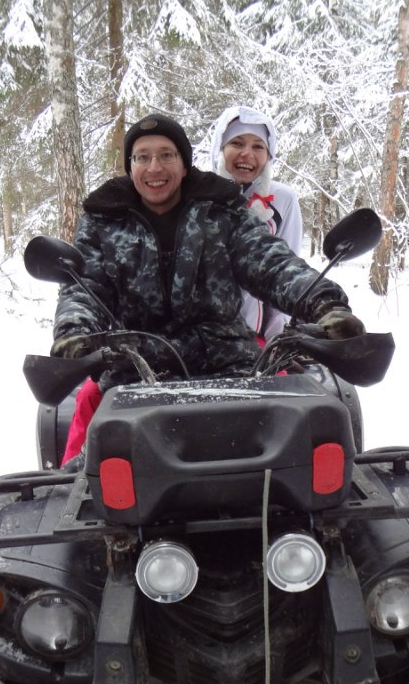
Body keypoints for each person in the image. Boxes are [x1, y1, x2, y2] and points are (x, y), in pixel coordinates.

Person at [55, 113, 363, 463]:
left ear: (184, 164)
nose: (154, 167)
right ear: (130, 167)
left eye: (166, 155)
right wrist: (74, 333)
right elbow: (83, 286)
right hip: (136, 371)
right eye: (142, 157)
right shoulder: (103, 220)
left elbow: (271, 262)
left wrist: (324, 304)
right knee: (87, 475)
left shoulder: (222, 210)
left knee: (306, 457)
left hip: (229, 367)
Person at [209, 105, 302, 342]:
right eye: (237, 143)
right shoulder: (196, 197)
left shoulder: (283, 200)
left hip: (255, 341)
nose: (247, 154)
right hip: (198, 343)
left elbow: (285, 277)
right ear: (220, 148)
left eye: (258, 146)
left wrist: (278, 343)